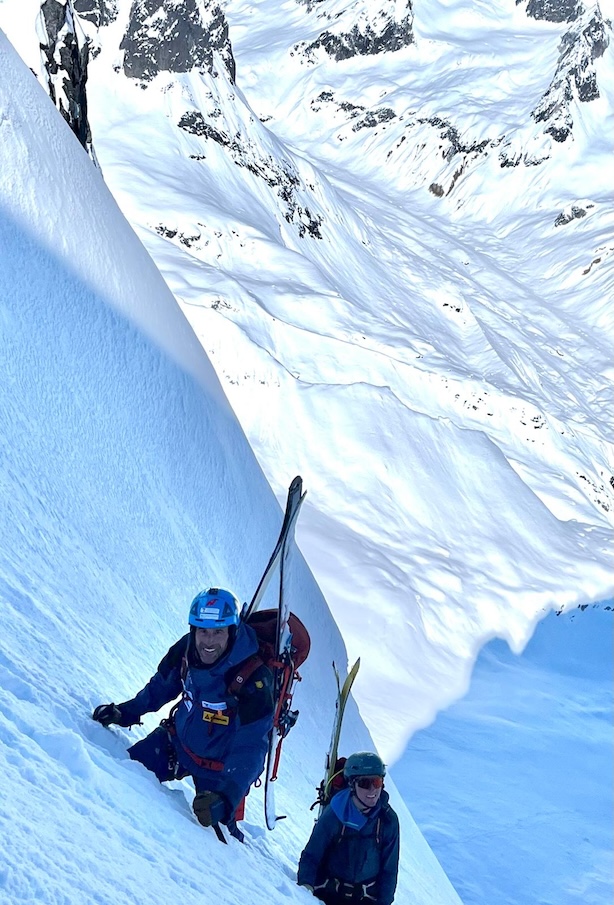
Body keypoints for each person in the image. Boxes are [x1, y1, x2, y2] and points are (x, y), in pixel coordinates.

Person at [92, 587, 274, 831]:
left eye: (218, 632)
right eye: (203, 631)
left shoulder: (255, 678)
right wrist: (125, 712)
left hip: (217, 773)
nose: (208, 641)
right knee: (123, 775)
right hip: (176, 745)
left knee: (213, 838)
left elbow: (252, 747)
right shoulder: (187, 649)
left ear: (232, 631)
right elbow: (161, 687)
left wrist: (226, 798)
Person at [298, 752, 400, 905]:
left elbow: (389, 871)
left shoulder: (388, 820)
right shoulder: (334, 813)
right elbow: (311, 856)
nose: (372, 790)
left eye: (377, 782)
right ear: (352, 784)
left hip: (365, 900)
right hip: (327, 895)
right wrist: (305, 890)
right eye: (365, 783)